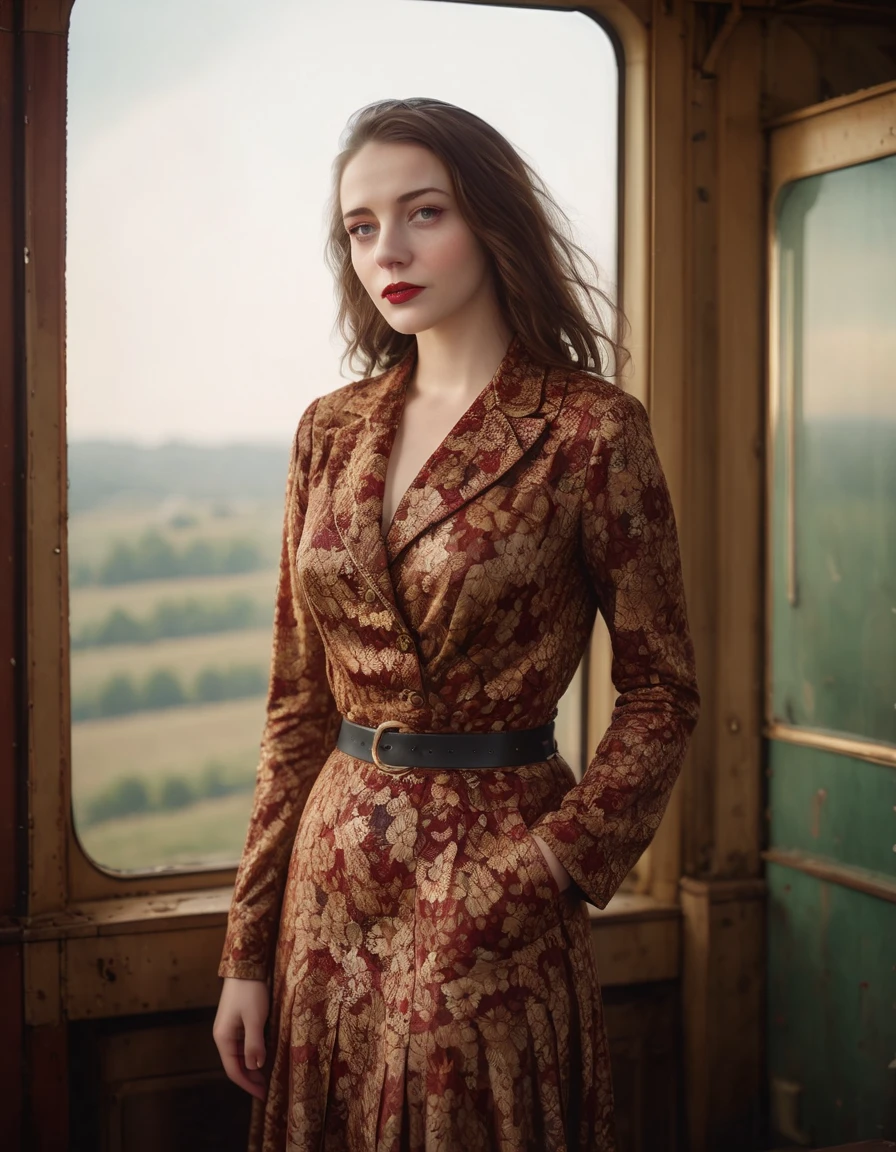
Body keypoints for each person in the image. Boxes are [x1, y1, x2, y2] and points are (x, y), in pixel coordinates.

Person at [213, 97, 699, 1152]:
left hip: (494, 881)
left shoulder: (587, 429)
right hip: (328, 890)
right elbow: (297, 698)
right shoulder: (328, 431)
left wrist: (544, 870)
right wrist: (245, 951)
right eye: (359, 225)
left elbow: (663, 691)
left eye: (421, 212)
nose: (385, 248)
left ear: (489, 220)